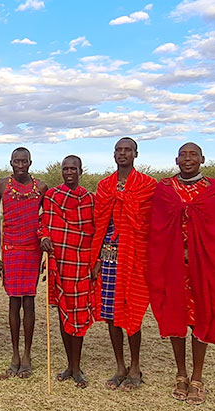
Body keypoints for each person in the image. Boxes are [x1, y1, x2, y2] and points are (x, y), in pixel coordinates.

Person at [147, 142, 215, 405]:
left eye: (193, 155)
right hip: (172, 266)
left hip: (203, 265)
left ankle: (197, 376)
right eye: (183, 155)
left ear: (202, 159)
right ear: (176, 160)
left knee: (201, 316)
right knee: (175, 315)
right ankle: (180, 373)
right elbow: (157, 227)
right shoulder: (164, 189)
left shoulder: (214, 189)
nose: (188, 159)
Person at [90, 137, 157, 390]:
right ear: (113, 154)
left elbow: (152, 225)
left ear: (136, 154)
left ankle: (136, 367)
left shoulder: (148, 186)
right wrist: (95, 259)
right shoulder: (105, 186)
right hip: (108, 257)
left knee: (133, 312)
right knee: (110, 313)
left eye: (127, 149)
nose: (122, 153)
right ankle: (120, 366)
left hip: (135, 257)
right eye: (118, 150)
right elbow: (99, 224)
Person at [38, 156, 99, 388]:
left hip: (82, 264)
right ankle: (69, 366)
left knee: (78, 316)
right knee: (63, 314)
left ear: (81, 171)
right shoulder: (52, 196)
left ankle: (77, 366)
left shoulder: (89, 199)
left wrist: (96, 263)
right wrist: (43, 237)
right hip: (59, 264)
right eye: (65, 169)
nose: (69, 172)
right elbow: (42, 222)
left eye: (73, 168)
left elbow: (96, 231)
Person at [0, 147, 48, 379]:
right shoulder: (1, 185)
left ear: (31, 162)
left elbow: (47, 217)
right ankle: (14, 354)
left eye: (24, 161)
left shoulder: (41, 187)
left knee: (29, 302)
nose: (20, 165)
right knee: (14, 302)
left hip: (32, 251)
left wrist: (45, 240)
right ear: (10, 162)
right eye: (16, 161)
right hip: (11, 251)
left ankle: (27, 354)